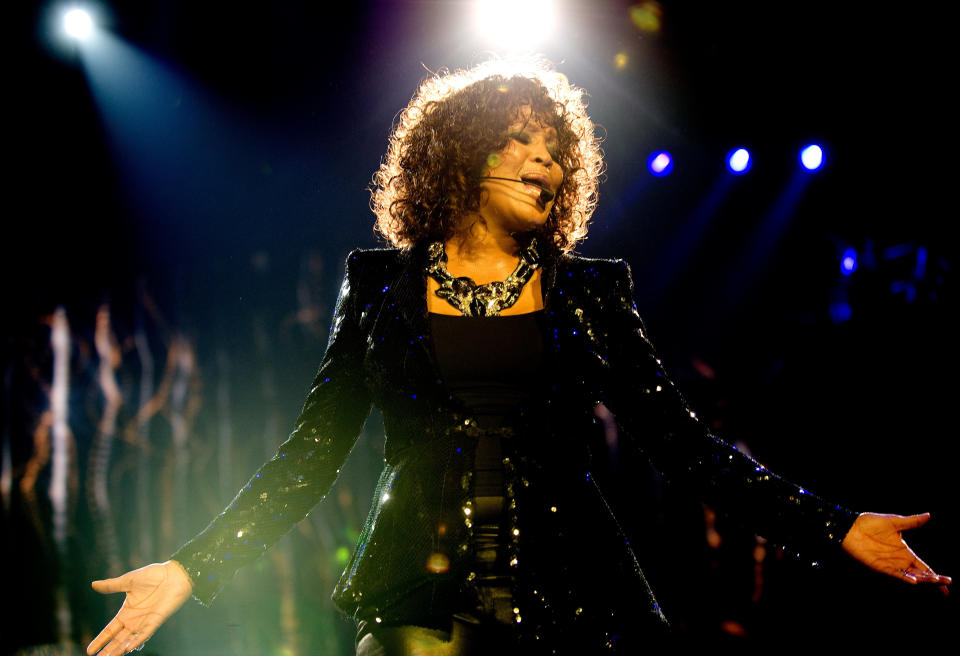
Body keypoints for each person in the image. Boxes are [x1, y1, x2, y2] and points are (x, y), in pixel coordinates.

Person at [86, 60, 950, 656]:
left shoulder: (592, 292)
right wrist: (194, 564)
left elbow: (686, 448)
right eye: (524, 141)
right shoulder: (380, 287)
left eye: (558, 150)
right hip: (415, 601)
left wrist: (831, 524)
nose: (548, 161)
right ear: (463, 152)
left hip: (581, 596)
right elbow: (311, 454)